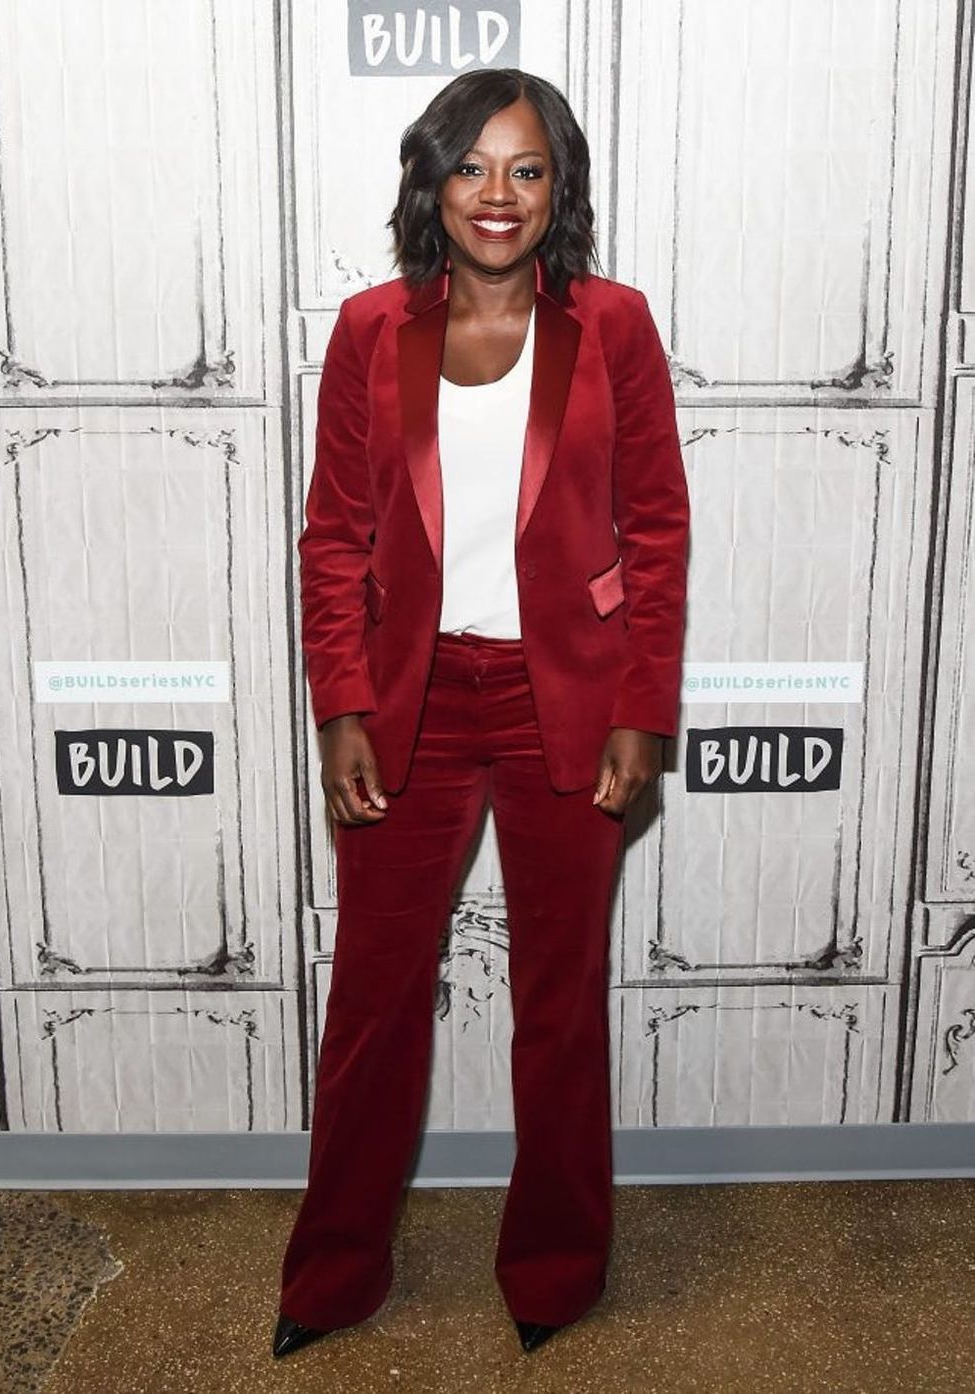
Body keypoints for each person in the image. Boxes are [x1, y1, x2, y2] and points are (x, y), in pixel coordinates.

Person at [273, 67, 690, 1360]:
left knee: (558, 1004)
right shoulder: (367, 331)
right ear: (432, 182)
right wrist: (341, 701)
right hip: (410, 705)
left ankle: (555, 1267)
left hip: (566, 700)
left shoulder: (612, 326)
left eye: (525, 169)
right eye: (470, 166)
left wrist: (644, 707)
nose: (496, 195)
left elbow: (659, 528)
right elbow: (336, 534)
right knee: (374, 1005)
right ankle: (333, 1273)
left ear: (558, 187)